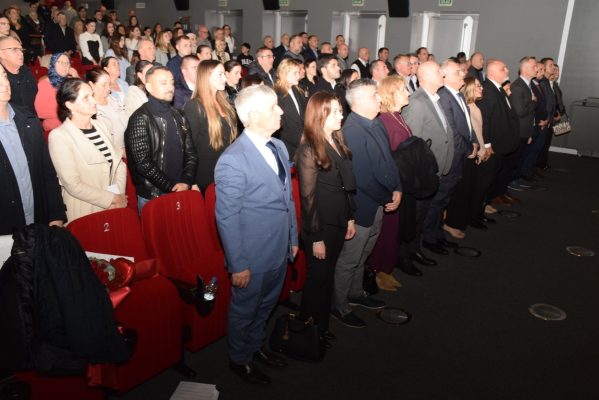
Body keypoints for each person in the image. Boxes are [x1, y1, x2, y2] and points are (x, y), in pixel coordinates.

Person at [215, 84, 298, 385]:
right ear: (252, 116)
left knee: (266, 306)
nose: (281, 111)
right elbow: (226, 217)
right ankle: (239, 359)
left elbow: (287, 199)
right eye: (273, 107)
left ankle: (256, 346)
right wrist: (238, 264)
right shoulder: (233, 160)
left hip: (279, 248)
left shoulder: (279, 146)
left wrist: (293, 238)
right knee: (245, 310)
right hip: (252, 256)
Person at [333, 79, 401, 328]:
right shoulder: (352, 130)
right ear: (360, 101)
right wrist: (388, 197)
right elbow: (362, 179)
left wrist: (398, 187)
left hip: (379, 202)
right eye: (375, 95)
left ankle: (355, 293)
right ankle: (339, 305)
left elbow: (389, 161)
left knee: (364, 253)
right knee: (350, 259)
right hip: (362, 207)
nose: (380, 99)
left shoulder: (376, 122)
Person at [297, 90, 356, 341]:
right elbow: (308, 198)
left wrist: (350, 217)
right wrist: (316, 237)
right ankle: (307, 330)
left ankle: (321, 327)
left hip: (339, 220)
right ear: (319, 115)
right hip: (321, 226)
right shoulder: (309, 149)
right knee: (317, 280)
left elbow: (345, 185)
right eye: (334, 112)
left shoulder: (337, 140)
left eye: (340, 110)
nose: (341, 115)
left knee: (328, 275)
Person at [48, 78, 127, 222]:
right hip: (85, 210)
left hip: (114, 206)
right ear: (69, 105)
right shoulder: (60, 136)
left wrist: (118, 196)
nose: (93, 101)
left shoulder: (102, 125)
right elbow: (73, 185)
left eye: (92, 95)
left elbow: (119, 164)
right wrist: (111, 199)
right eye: (86, 98)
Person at [0, 63, 66, 234]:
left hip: (40, 223)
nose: (4, 83)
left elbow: (47, 171)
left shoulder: (28, 119)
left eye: (4, 76)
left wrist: (56, 214)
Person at [402, 61, 455, 256]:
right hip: (423, 174)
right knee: (416, 217)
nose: (443, 74)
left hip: (435, 170)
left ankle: (417, 249)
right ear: (425, 76)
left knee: (425, 213)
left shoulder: (435, 98)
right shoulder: (417, 102)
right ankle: (409, 255)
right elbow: (412, 145)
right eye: (438, 71)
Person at [125, 66, 197, 208]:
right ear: (149, 87)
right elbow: (143, 163)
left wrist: (186, 181)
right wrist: (172, 187)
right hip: (154, 194)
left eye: (172, 82)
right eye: (163, 83)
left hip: (181, 188)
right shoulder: (140, 118)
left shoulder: (179, 115)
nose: (170, 87)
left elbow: (191, 153)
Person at [368, 75, 413, 286]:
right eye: (403, 89)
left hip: (401, 182)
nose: (408, 93)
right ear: (392, 94)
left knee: (393, 230)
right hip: (391, 185)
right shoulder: (384, 120)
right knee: (386, 230)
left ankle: (386, 268)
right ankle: (378, 271)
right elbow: (385, 159)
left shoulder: (397, 115)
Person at [437, 59, 479, 240]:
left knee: (447, 198)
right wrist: (469, 149)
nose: (463, 74)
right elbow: (452, 132)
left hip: (462, 153)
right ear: (445, 76)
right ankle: (433, 236)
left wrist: (475, 142)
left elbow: (468, 126)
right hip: (452, 156)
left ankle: (439, 231)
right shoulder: (443, 96)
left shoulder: (459, 95)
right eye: (458, 72)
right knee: (440, 200)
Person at [475, 59, 519, 221]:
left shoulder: (498, 88)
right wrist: (487, 144)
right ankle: (476, 214)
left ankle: (484, 205)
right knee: (484, 181)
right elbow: (484, 120)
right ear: (492, 72)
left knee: (491, 179)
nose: (507, 70)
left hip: (499, 145)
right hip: (492, 146)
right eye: (503, 69)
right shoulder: (487, 89)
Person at [184, 60, 238, 192]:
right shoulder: (195, 106)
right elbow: (189, 147)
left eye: (224, 74)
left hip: (228, 170)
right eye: (220, 74)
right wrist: (193, 181)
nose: (225, 78)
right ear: (206, 77)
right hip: (207, 176)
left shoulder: (225, 103)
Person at [87, 68, 128, 156]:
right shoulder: (90, 110)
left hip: (128, 145)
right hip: (114, 154)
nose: (108, 88)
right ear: (91, 85)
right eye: (103, 85)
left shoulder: (114, 100)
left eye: (109, 84)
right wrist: (120, 152)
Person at [35, 53, 78, 132]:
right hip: (56, 127)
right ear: (53, 64)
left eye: (67, 63)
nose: (65, 66)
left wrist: (76, 77)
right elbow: (40, 112)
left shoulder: (70, 80)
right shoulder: (44, 84)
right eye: (61, 62)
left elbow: (82, 96)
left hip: (75, 123)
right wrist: (66, 111)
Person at [274, 59, 307, 159]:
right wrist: (301, 139)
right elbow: (280, 127)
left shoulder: (298, 90)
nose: (298, 75)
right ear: (284, 74)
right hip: (288, 146)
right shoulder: (276, 95)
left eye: (298, 72)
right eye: (295, 73)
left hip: (303, 143)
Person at [0, 36, 37, 116]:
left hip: (32, 119)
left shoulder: (26, 71)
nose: (21, 53)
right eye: (14, 49)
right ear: (1, 54)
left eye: (21, 50)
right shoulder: (2, 79)